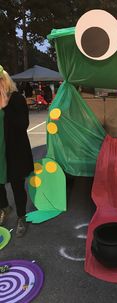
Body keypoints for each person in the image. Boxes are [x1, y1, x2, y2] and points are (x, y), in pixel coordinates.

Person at [0, 65, 34, 237]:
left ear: (4, 82)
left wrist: (5, 106)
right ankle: (5, 207)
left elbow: (22, 125)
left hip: (14, 152)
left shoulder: (17, 99)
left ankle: (21, 216)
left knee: (17, 186)